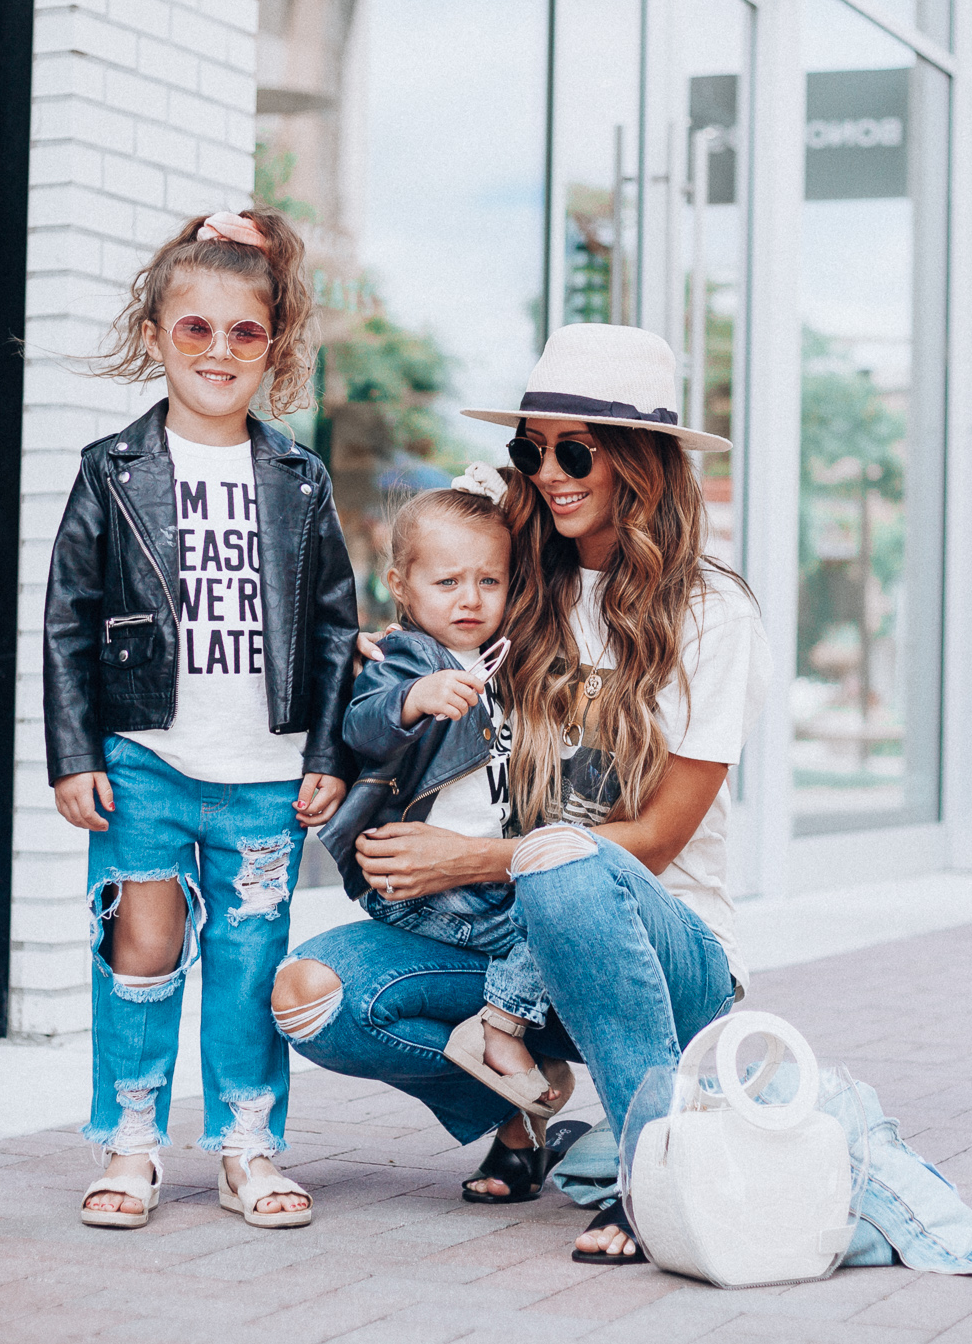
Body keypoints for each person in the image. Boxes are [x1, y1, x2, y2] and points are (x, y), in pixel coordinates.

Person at [272, 323, 769, 1265]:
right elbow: (434, 554)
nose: (547, 471)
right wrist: (392, 662)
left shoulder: (713, 612)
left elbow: (657, 839)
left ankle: (650, 1161)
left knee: (568, 864)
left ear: (643, 465)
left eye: (574, 449)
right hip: (513, 945)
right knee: (313, 998)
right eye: (529, 448)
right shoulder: (518, 579)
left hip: (667, 956)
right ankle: (521, 1109)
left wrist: (473, 859)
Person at [45, 208, 357, 1230]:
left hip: (265, 773)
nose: (218, 352)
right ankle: (129, 1145)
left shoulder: (299, 479)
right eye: (195, 330)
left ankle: (247, 1148)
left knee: (250, 963)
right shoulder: (111, 470)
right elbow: (66, 621)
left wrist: (325, 751)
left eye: (243, 333)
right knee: (137, 948)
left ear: (274, 346)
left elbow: (331, 629)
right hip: (144, 761)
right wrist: (73, 754)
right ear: (156, 337)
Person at [321, 468, 571, 1118]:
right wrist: (411, 700)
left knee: (562, 907)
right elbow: (361, 722)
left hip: (478, 874)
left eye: (489, 581)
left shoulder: (501, 664)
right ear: (402, 586)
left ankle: (509, 1065)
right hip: (418, 878)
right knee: (542, 926)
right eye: (447, 581)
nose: (470, 598)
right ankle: (501, 1030)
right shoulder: (412, 656)